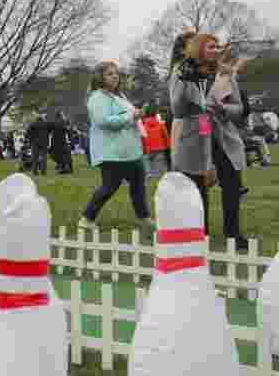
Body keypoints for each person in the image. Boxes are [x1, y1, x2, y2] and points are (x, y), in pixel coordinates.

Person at [169, 33, 251, 250]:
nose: (216, 50)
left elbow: (239, 108)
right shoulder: (181, 74)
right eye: (211, 47)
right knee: (198, 188)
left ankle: (233, 233)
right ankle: (200, 233)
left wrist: (222, 109)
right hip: (195, 137)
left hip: (223, 137)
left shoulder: (225, 75)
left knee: (232, 186)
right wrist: (186, 87)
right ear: (198, 49)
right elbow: (176, 109)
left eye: (217, 47)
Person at [78, 61, 151, 231]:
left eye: (116, 73)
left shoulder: (119, 96)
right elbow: (103, 121)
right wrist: (131, 117)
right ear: (100, 77)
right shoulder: (97, 98)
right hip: (112, 152)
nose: (115, 76)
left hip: (130, 151)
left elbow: (128, 116)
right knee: (109, 187)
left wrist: (137, 115)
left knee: (139, 186)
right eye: (110, 74)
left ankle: (145, 218)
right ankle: (86, 219)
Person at [140, 104, 171, 180]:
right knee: (160, 168)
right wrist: (168, 147)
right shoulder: (161, 125)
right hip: (159, 149)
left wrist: (142, 149)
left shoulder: (143, 126)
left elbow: (142, 138)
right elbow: (166, 137)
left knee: (148, 166)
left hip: (147, 150)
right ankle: (159, 178)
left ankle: (149, 175)